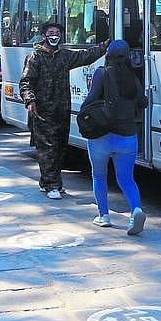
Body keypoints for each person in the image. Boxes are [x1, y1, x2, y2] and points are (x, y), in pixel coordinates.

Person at [19, 21, 109, 200]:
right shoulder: (35, 57)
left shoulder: (64, 56)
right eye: (51, 33)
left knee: (60, 148)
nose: (54, 36)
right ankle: (53, 185)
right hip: (42, 112)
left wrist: (105, 46)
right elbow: (25, 82)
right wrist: (30, 101)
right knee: (47, 149)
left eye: (58, 33)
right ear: (44, 36)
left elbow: (86, 55)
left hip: (62, 110)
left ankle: (47, 182)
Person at [81, 39, 148, 234]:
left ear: (107, 55)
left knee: (98, 175)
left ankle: (104, 216)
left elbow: (90, 101)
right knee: (127, 179)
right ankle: (136, 210)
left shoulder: (102, 73)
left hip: (101, 136)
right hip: (127, 137)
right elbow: (143, 102)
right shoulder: (133, 78)